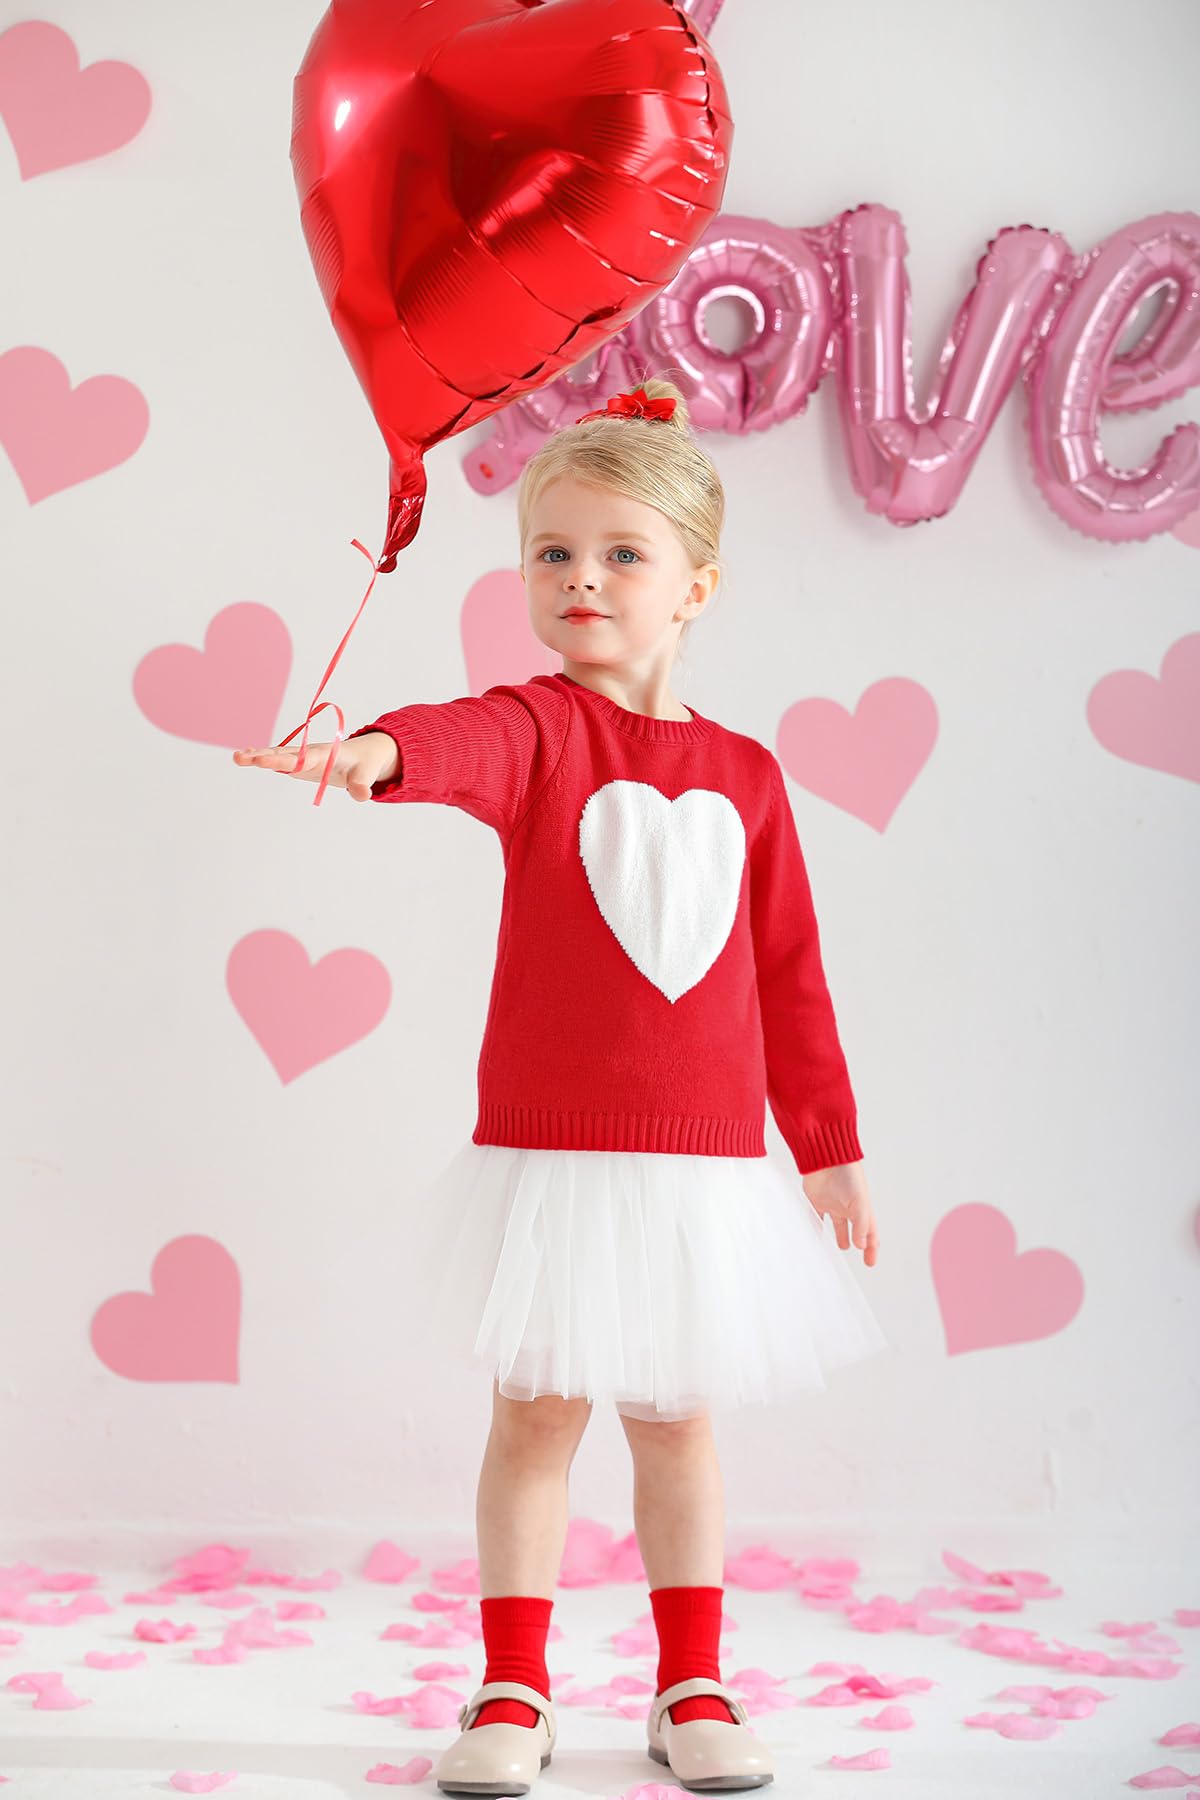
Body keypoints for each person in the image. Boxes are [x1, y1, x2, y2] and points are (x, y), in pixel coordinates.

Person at [233, 375, 889, 1796]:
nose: (580, 577)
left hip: (701, 1168)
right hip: (551, 1152)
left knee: (677, 1421)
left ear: (696, 585)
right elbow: (458, 741)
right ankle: (512, 1686)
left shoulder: (749, 777)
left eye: (620, 554)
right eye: (552, 552)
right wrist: (373, 752)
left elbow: (790, 970)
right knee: (535, 1418)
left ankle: (692, 1681)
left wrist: (828, 1145)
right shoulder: (538, 731)